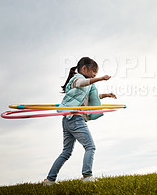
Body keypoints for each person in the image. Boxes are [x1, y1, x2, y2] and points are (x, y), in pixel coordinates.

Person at [43, 57, 117, 185]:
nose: (95, 74)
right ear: (84, 68)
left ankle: (49, 180)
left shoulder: (86, 85)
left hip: (68, 120)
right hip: (76, 119)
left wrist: (106, 95)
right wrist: (100, 79)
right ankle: (87, 176)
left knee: (66, 152)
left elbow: (89, 97)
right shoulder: (77, 79)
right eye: (94, 71)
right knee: (90, 146)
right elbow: (81, 84)